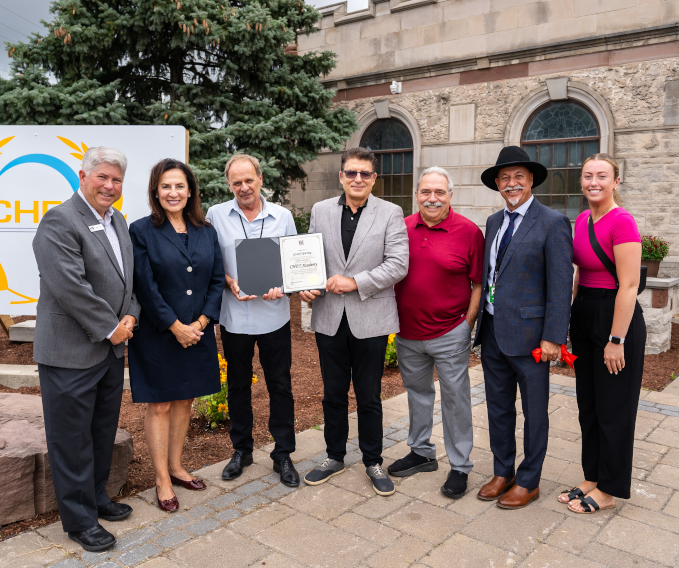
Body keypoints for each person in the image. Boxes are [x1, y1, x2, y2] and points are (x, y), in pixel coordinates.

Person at [32, 146, 141, 552]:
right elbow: (68, 286)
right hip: (71, 353)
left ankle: (96, 498)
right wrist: (111, 326)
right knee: (71, 439)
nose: (110, 186)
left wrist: (130, 315)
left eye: (116, 180)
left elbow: (129, 279)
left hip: (111, 351)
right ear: (83, 176)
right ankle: (79, 522)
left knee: (99, 433)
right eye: (103, 178)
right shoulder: (60, 220)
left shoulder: (119, 221)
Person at [299, 146, 409, 497]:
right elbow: (311, 260)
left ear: (374, 178)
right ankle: (334, 456)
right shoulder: (320, 211)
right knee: (332, 394)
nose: (357, 179)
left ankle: (373, 461)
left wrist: (355, 282)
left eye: (365, 173)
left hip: (370, 318)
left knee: (369, 395)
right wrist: (307, 285)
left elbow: (398, 264)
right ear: (342, 176)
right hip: (330, 317)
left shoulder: (391, 213)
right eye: (351, 173)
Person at [474, 145, 573, 509]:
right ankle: (504, 471)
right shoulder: (494, 222)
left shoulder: (553, 222)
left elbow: (561, 285)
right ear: (497, 184)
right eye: (505, 178)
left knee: (534, 413)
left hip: (532, 338)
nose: (511, 183)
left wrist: (553, 337)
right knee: (498, 408)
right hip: (493, 333)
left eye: (518, 176)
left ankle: (529, 480)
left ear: (531, 180)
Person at [129, 159, 224, 512]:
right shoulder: (141, 231)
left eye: (180, 186)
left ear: (190, 190)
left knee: (186, 400)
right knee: (162, 403)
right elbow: (145, 286)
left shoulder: (206, 230)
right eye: (166, 186)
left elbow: (216, 280)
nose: (173, 193)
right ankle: (161, 478)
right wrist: (174, 325)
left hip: (197, 332)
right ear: (156, 190)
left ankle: (177, 465)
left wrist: (200, 323)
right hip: (158, 334)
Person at [205, 153, 300, 487]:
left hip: (274, 316)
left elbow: (294, 264)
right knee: (239, 386)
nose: (243, 187)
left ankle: (283, 453)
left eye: (249, 180)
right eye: (236, 182)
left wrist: (283, 289)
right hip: (234, 318)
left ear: (260, 179)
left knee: (280, 385)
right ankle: (241, 450)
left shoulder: (282, 216)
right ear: (228, 184)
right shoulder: (215, 215)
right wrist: (228, 281)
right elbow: (210, 261)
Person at [389, 166, 484, 499]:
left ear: (450, 195)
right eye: (426, 192)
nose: (432, 198)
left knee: (455, 400)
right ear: (417, 194)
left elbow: (478, 283)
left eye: (439, 192)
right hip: (408, 333)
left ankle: (459, 466)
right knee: (417, 395)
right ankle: (421, 453)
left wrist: (467, 323)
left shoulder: (469, 232)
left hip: (449, 332)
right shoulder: (400, 229)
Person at [561, 153, 646, 514]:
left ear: (616, 182)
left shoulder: (622, 221)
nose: (593, 182)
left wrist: (616, 339)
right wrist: (570, 320)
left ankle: (610, 488)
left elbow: (629, 286)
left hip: (615, 316)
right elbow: (581, 275)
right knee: (589, 407)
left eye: (602, 176)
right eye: (587, 176)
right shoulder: (581, 219)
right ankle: (592, 476)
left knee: (614, 408)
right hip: (585, 314)